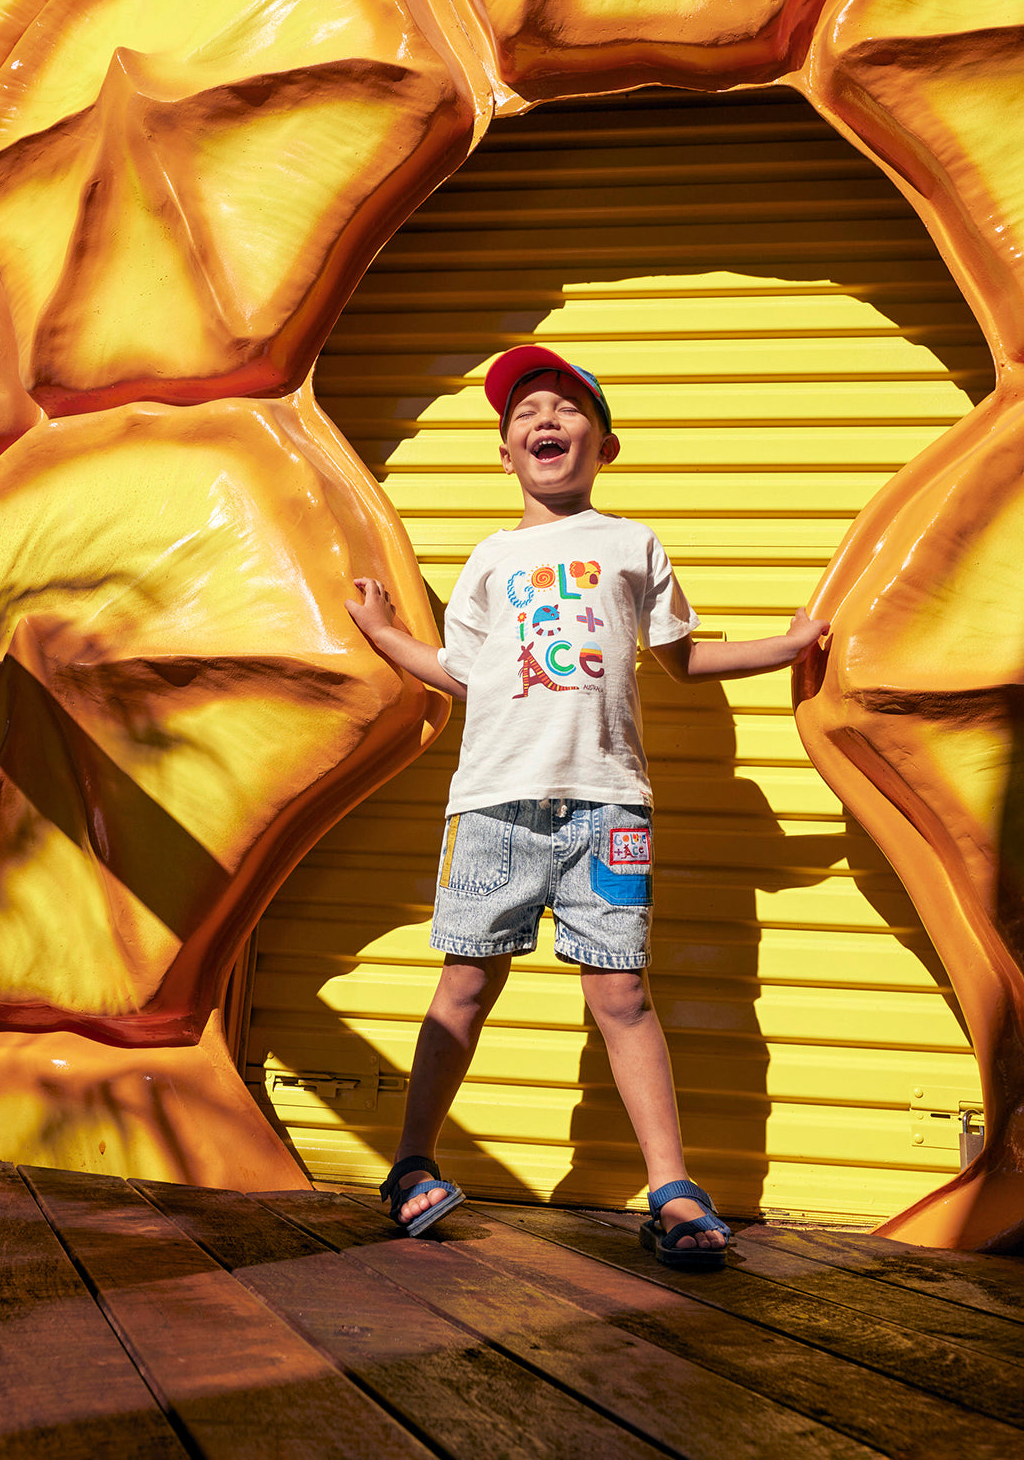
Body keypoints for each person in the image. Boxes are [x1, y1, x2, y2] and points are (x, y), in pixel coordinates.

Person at [346, 345, 829, 1267]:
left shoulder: (631, 543)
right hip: (493, 805)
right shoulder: (491, 559)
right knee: (466, 984)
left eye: (567, 408)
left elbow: (681, 657)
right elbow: (459, 676)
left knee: (623, 995)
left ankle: (673, 1191)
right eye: (525, 412)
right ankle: (410, 1166)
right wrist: (381, 634)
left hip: (610, 808)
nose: (545, 420)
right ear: (503, 452)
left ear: (605, 445)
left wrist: (789, 645)